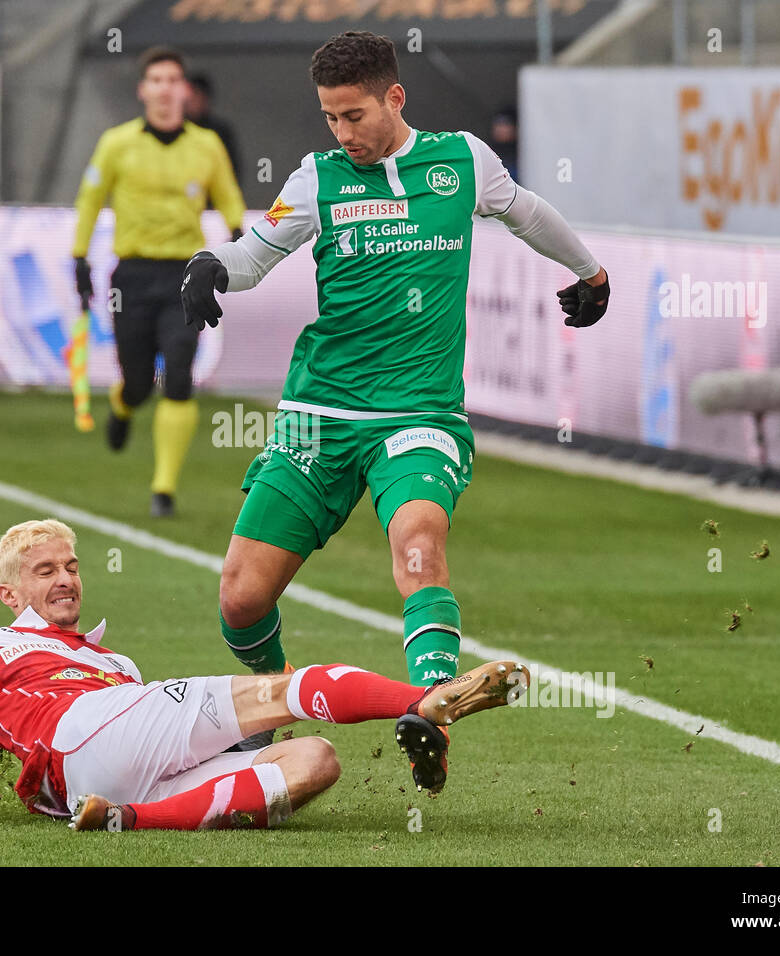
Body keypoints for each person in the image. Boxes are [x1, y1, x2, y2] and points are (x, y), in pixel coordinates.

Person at [180, 31, 609, 793]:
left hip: (419, 412)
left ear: (394, 98)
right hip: (320, 410)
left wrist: (589, 270)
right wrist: (213, 265)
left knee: (417, 541)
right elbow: (256, 254)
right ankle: (269, 708)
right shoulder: (318, 177)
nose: (342, 133)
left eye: (353, 115)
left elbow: (526, 210)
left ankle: (431, 709)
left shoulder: (462, 162)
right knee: (242, 597)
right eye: (330, 118)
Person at [0, 519, 530, 832]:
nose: (66, 579)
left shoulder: (115, 663)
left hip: (104, 782)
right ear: (11, 595)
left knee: (312, 758)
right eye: (45, 572)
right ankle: (430, 698)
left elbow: (168, 732)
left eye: (71, 566)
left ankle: (129, 822)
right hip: (75, 736)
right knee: (276, 688)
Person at [72, 46, 246, 518]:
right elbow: (90, 199)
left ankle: (163, 489)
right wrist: (79, 257)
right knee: (138, 381)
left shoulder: (206, 145)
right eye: (157, 80)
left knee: (180, 368)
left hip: (183, 274)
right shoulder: (117, 143)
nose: (166, 88)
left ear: (184, 90)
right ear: (143, 90)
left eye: (174, 80)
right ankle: (125, 405)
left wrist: (236, 239)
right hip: (131, 274)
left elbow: (229, 197)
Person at [184, 72, 242, 189]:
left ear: (206, 98)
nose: (191, 100)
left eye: (196, 95)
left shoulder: (219, 132)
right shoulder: (175, 130)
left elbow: (232, 170)